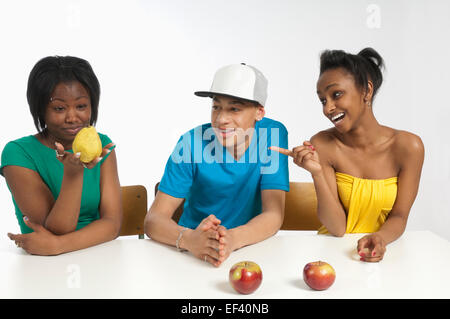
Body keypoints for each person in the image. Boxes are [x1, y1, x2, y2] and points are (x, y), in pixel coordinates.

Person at [271, 48, 424, 262]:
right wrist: (316, 173)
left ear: (366, 91)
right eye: (323, 100)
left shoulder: (408, 147)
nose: (328, 108)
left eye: (336, 95)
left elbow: (400, 216)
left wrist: (379, 238)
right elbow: (337, 228)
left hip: (382, 251)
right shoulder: (322, 144)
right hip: (331, 254)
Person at [144, 63, 289, 267]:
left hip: (250, 251)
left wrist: (233, 239)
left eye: (234, 108)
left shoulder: (273, 135)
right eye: (216, 107)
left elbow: (273, 214)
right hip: (191, 253)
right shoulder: (189, 143)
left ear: (259, 112)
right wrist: (190, 239)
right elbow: (154, 220)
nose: (221, 119)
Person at [1, 56, 122, 255]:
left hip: (99, 255)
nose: (72, 117)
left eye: (81, 106)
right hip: (41, 265)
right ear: (40, 109)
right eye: (59, 108)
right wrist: (73, 174)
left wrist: (58, 246)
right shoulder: (18, 153)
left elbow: (112, 224)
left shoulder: (102, 144)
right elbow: (55, 231)